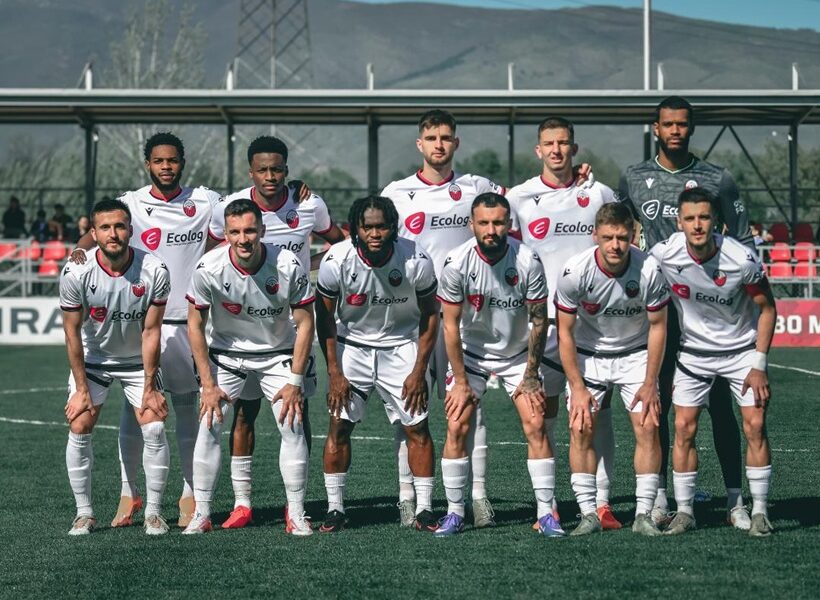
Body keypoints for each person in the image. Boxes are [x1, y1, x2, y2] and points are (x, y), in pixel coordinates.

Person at [70, 132, 221, 528]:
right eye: (158, 161)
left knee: (186, 408)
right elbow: (95, 234)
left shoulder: (205, 201)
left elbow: (248, 206)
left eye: (172, 160)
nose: (166, 167)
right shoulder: (132, 203)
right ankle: (129, 493)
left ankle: (189, 493)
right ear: (148, 165)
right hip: (142, 324)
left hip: (187, 321)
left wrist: (293, 191)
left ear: (182, 162)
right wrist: (78, 251)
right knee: (136, 408)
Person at [618, 96, 753, 528]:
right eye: (668, 124)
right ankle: (660, 496)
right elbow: (616, 224)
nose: (675, 130)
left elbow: (743, 240)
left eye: (682, 124)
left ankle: (735, 500)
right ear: (655, 128)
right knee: (656, 401)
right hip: (658, 312)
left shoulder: (717, 178)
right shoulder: (633, 177)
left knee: (720, 407)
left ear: (691, 128)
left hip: (707, 314)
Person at [207, 135, 345, 529]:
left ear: (287, 170)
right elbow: (212, 253)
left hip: (291, 329)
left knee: (296, 413)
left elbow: (339, 244)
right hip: (241, 329)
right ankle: (242, 504)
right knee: (243, 413)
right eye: (263, 170)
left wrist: (314, 269)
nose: (270, 176)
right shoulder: (232, 207)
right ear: (250, 172)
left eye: (277, 169)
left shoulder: (309, 204)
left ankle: (295, 504)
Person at [380, 109, 505, 528]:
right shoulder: (397, 193)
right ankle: (409, 499)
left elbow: (521, 206)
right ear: (420, 144)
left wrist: (575, 177)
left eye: (446, 137)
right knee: (409, 412)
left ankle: (479, 498)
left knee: (469, 408)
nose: (439, 144)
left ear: (456, 143)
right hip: (411, 320)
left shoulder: (478, 187)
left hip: (464, 320)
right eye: (432, 138)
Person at [507, 116, 621, 528]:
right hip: (545, 324)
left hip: (593, 322)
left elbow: (619, 242)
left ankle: (602, 504)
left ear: (574, 148)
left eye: (563, 143)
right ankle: (549, 506)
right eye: (549, 144)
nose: (556, 150)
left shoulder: (598, 192)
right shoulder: (519, 198)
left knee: (597, 412)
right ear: (538, 150)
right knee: (545, 415)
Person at [182, 198, 316, 535]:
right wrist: (208, 385)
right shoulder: (208, 267)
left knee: (292, 424)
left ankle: (296, 513)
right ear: (226, 234)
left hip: (277, 354)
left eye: (250, 231)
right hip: (227, 354)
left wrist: (295, 381)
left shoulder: (287, 264)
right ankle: (202, 513)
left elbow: (305, 323)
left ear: (263, 231)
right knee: (209, 424)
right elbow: (195, 325)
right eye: (235, 232)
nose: (243, 239)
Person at [650, 188, 776, 537]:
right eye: (690, 218)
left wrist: (759, 364)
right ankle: (685, 512)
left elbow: (768, 309)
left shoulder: (741, 259)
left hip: (741, 354)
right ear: (679, 222)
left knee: (755, 426)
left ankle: (759, 511)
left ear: (716, 221)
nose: (697, 225)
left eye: (704, 217)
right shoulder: (664, 254)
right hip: (693, 354)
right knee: (683, 428)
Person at [434, 192, 561, 536]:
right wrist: (461, 382)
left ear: (509, 224)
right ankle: (455, 513)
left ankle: (546, 514)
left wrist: (531, 375)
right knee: (457, 424)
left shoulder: (527, 260)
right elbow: (450, 326)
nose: (491, 230)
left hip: (517, 355)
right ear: (471, 225)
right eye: (484, 223)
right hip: (471, 354)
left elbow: (539, 320)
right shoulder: (457, 262)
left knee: (536, 423)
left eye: (498, 223)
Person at [315, 195, 439, 532]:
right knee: (339, 426)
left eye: (381, 227)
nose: (374, 234)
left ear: (393, 228)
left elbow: (431, 314)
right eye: (367, 227)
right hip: (352, 347)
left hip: (401, 346)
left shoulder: (416, 259)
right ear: (355, 228)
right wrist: (334, 372)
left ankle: (425, 510)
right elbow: (324, 318)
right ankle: (335, 509)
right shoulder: (336, 260)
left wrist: (419, 370)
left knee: (417, 427)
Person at [555, 203, 669, 536]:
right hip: (589, 355)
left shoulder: (650, 269)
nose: (615, 245)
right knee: (581, 428)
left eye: (622, 237)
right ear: (595, 236)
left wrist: (650, 382)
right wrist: (577, 388)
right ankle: (588, 513)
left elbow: (659, 326)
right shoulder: (575, 271)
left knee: (648, 426)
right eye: (608, 237)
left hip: (635, 354)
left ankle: (644, 514)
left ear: (633, 235)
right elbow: (564, 332)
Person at [59, 198, 171, 535]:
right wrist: (81, 389)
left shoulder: (154, 270)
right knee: (80, 424)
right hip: (94, 360)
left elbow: (152, 331)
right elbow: (72, 334)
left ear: (130, 230)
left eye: (120, 226)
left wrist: (150, 386)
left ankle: (153, 512)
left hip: (137, 361)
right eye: (105, 227)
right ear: (93, 233)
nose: (113, 233)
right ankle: (84, 513)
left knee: (154, 427)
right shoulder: (76, 272)